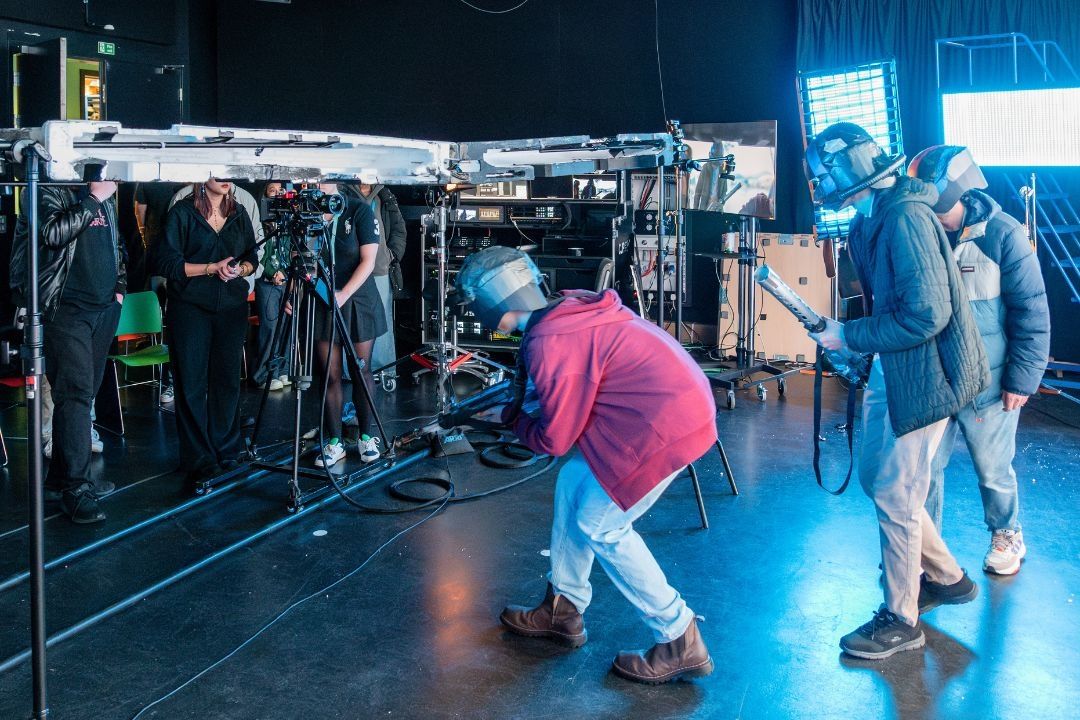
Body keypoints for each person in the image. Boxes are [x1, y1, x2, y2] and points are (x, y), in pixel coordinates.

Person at [460, 246, 716, 685]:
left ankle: (679, 636)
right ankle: (563, 608)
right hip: (672, 406)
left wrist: (509, 419)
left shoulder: (548, 339)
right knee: (573, 481)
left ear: (495, 303)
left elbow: (554, 439)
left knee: (601, 525)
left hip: (666, 423)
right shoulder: (567, 308)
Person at [804, 123, 990, 660]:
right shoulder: (871, 220)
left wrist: (849, 335)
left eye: (822, 172)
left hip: (930, 373)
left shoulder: (904, 217)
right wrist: (854, 341)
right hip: (895, 368)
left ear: (846, 170)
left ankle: (901, 618)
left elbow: (927, 314)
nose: (817, 182)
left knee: (897, 492)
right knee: (875, 478)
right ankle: (948, 577)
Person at [908, 146, 1050, 576]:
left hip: (989, 385)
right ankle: (925, 553)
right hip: (936, 380)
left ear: (961, 195)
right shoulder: (922, 235)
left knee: (993, 470)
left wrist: (1022, 381)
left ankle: (1007, 533)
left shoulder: (1004, 235)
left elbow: (1033, 310)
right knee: (925, 471)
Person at [12, 174, 127, 523]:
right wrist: (94, 199)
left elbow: (116, 245)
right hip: (64, 309)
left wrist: (119, 289)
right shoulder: (44, 189)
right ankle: (76, 489)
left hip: (104, 308)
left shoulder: (102, 193)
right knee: (75, 394)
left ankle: (60, 478)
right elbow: (52, 234)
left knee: (81, 396)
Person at [154, 179, 257, 484]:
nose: (225, 180)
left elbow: (252, 257)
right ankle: (199, 457)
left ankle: (227, 448)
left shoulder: (239, 213)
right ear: (203, 175)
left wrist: (241, 270)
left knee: (227, 380)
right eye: (218, 173)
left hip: (231, 306)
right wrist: (211, 267)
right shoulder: (182, 212)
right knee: (192, 383)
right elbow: (167, 262)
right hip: (190, 307)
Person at [308, 183, 386, 468]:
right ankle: (335, 442)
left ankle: (367, 436)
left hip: (358, 299)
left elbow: (368, 261)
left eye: (321, 179)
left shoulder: (359, 210)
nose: (316, 184)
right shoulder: (309, 214)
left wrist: (345, 293)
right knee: (330, 374)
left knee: (361, 370)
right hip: (323, 298)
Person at [136, 181, 185, 405]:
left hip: (165, 259)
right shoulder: (191, 181)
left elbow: (140, 214)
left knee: (168, 325)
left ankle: (172, 382)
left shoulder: (149, 179)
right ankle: (173, 382)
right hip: (178, 262)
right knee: (172, 325)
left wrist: (146, 236)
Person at [354, 183, 406, 386]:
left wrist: (391, 256)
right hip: (350, 268)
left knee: (382, 320)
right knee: (351, 319)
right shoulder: (343, 192)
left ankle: (384, 371)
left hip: (379, 268)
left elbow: (399, 229)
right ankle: (353, 371)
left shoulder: (385, 195)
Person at [251, 181, 293, 391]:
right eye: (272, 190)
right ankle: (263, 376)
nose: (276, 194)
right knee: (270, 328)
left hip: (285, 281)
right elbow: (259, 254)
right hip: (267, 283)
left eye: (280, 191)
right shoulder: (260, 221)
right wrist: (271, 272)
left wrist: (287, 273)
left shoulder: (287, 221)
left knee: (286, 327)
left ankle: (281, 370)